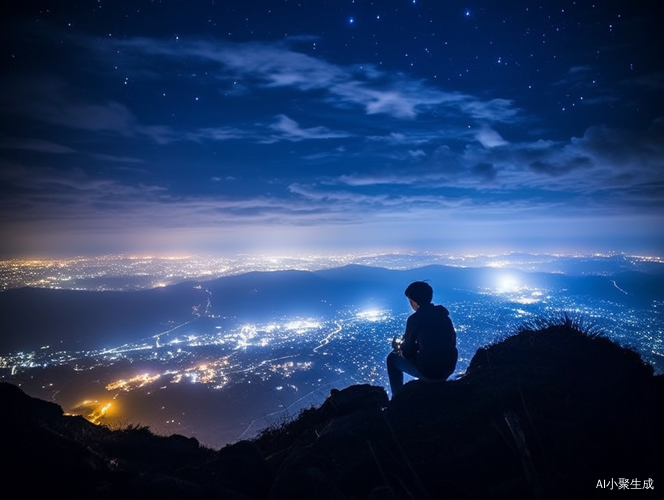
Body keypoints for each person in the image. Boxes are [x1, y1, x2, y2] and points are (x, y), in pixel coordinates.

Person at [386, 281, 458, 397]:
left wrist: (399, 348)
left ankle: (397, 398)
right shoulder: (444, 316)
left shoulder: (415, 319)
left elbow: (408, 353)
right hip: (448, 368)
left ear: (413, 301)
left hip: (430, 373)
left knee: (391, 359)